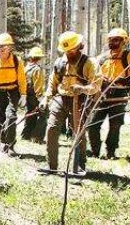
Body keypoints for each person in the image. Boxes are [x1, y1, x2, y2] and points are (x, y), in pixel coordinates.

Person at [41, 31, 101, 175]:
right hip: (61, 99)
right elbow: (53, 83)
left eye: (72, 50)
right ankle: (52, 166)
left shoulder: (89, 63)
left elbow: (96, 85)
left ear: (80, 46)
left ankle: (79, 166)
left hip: (80, 100)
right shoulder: (59, 63)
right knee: (51, 129)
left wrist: (82, 88)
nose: (69, 53)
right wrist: (46, 99)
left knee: (78, 132)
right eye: (66, 51)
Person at [87, 28, 130, 159]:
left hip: (119, 96)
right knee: (92, 124)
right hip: (101, 96)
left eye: (116, 40)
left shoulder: (129, 57)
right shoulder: (102, 58)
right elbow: (91, 74)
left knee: (115, 125)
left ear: (123, 41)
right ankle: (94, 151)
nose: (112, 42)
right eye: (110, 40)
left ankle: (110, 152)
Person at [0, 33, 27, 156]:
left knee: (11, 117)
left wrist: (23, 94)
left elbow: (22, 79)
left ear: (10, 48)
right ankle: (3, 142)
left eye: (5, 46)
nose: (2, 49)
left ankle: (11, 145)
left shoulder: (16, 61)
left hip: (12, 92)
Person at [21, 46, 47, 143]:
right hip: (36, 96)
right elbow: (38, 85)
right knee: (43, 115)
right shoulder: (37, 69)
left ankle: (25, 136)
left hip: (27, 96)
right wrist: (41, 98)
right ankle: (37, 137)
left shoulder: (25, 68)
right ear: (39, 58)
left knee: (30, 115)